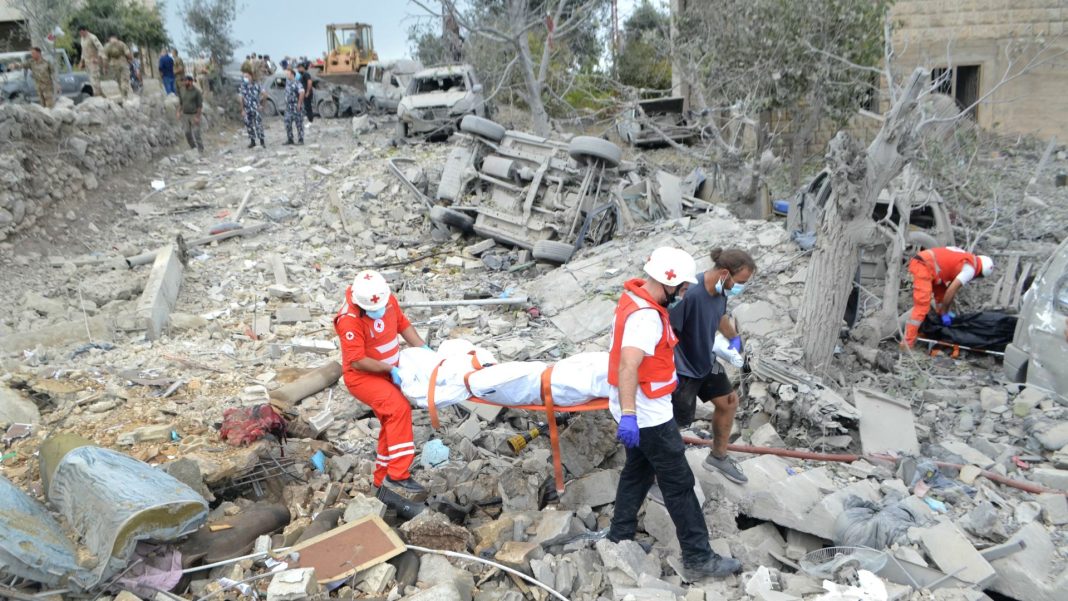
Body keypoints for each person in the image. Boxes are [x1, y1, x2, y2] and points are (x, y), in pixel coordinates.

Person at [606, 247, 743, 582]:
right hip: (647, 415)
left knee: (637, 470)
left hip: (642, 409)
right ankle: (699, 557)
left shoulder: (635, 301)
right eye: (680, 288)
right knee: (680, 483)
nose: (684, 292)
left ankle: (619, 534)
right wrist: (629, 414)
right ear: (666, 282)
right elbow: (628, 365)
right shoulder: (645, 318)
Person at [334, 270, 428, 498]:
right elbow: (357, 362)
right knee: (398, 409)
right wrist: (390, 369)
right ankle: (398, 474)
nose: (378, 310)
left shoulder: (386, 299)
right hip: (363, 377)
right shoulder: (349, 320)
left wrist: (424, 350)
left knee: (390, 418)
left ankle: (382, 478)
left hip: (387, 371)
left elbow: (403, 325)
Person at [670, 248, 756, 484]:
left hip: (705, 362)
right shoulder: (690, 293)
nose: (741, 286)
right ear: (725, 273)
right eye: (740, 282)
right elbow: (668, 331)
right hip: (682, 368)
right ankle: (663, 475)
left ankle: (718, 456)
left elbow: (720, 318)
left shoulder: (721, 290)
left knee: (729, 401)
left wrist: (735, 339)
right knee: (674, 424)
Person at [904, 246, 993, 348]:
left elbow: (948, 285)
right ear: (980, 274)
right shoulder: (970, 270)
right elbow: (952, 290)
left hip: (931, 266)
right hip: (923, 266)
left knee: (941, 295)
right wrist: (945, 313)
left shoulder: (966, 257)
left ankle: (938, 321)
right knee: (922, 306)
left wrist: (944, 309)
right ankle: (907, 343)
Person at [176, 75, 204, 154]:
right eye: (183, 81)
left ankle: (200, 149)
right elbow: (181, 103)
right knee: (187, 132)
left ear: (191, 82)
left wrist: (197, 117)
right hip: (185, 115)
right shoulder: (182, 90)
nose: (184, 83)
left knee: (196, 133)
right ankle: (193, 148)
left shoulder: (196, 92)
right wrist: (178, 112)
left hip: (194, 115)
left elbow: (199, 106)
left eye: (186, 81)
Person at [240, 71, 266, 148]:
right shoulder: (243, 86)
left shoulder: (257, 85)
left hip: (256, 108)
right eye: (244, 77)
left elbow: (265, 95)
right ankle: (252, 141)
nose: (245, 78)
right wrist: (242, 110)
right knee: (249, 125)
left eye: (247, 76)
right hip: (247, 108)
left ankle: (262, 142)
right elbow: (241, 98)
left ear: (251, 77)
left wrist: (262, 106)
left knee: (258, 125)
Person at [77, 25, 104, 95]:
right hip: (87, 63)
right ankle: (99, 95)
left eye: (82, 32)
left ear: (85, 30)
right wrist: (81, 62)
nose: (81, 34)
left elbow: (101, 48)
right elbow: (83, 51)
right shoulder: (82, 39)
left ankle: (98, 96)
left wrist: (98, 58)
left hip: (93, 62)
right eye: (80, 33)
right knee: (91, 81)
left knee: (95, 80)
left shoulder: (92, 37)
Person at [282, 67, 304, 145]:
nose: (286, 75)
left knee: (299, 124)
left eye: (287, 74)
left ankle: (301, 140)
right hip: (288, 107)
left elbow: (302, 92)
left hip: (296, 106)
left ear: (292, 74)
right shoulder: (287, 83)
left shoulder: (297, 83)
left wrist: (299, 103)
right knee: (287, 123)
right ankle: (290, 139)